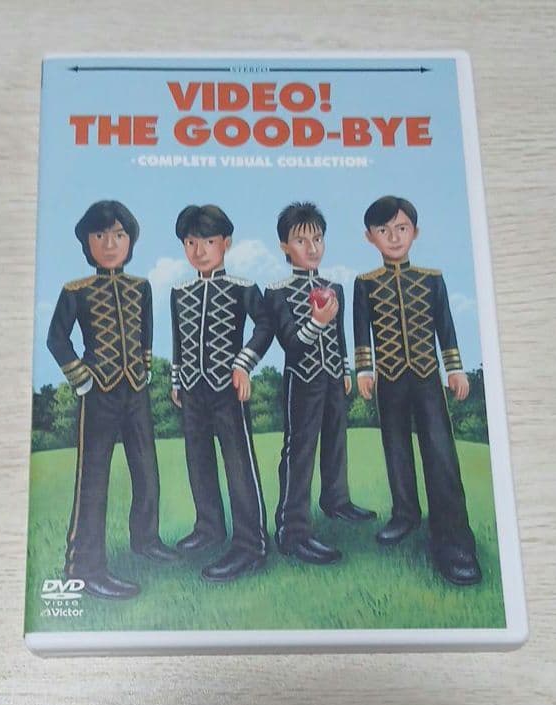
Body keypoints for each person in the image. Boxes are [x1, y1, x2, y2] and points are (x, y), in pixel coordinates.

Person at [47, 200, 177, 600]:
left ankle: (146, 540)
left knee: (147, 469)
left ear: (130, 240)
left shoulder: (141, 287)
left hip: (135, 389)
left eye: (119, 235)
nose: (110, 243)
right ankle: (84, 568)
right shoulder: (76, 291)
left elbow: (145, 333)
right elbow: (56, 339)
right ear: (87, 242)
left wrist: (144, 368)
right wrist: (81, 378)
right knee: (94, 480)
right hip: (98, 392)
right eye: (100, 235)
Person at [353, 195, 481, 585]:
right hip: (388, 378)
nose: (394, 237)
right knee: (395, 448)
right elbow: (361, 330)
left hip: (427, 376)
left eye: (401, 228)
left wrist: (454, 368)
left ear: (416, 232)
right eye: (384, 230)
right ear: (370, 237)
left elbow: (446, 326)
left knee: (440, 453)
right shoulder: (365, 283)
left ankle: (454, 540)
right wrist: (363, 369)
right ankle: (405, 514)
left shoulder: (431, 279)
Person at [264, 202, 376, 566]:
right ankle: (291, 531)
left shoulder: (334, 287)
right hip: (301, 379)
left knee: (336, 440)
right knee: (299, 451)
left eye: (318, 238)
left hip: (331, 377)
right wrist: (317, 321)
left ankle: (336, 501)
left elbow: (339, 337)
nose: (312, 247)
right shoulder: (278, 291)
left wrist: (343, 370)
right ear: (284, 246)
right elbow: (291, 344)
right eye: (301, 240)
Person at [170, 204, 274, 582]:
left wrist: (243, 364)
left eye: (208, 241)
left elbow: (265, 326)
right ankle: (209, 527)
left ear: (226, 243)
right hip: (192, 389)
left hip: (228, 388)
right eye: (190, 243)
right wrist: (177, 380)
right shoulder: (179, 292)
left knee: (238, 464)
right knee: (197, 459)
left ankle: (251, 545)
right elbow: (179, 340)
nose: (199, 250)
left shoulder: (243, 288)